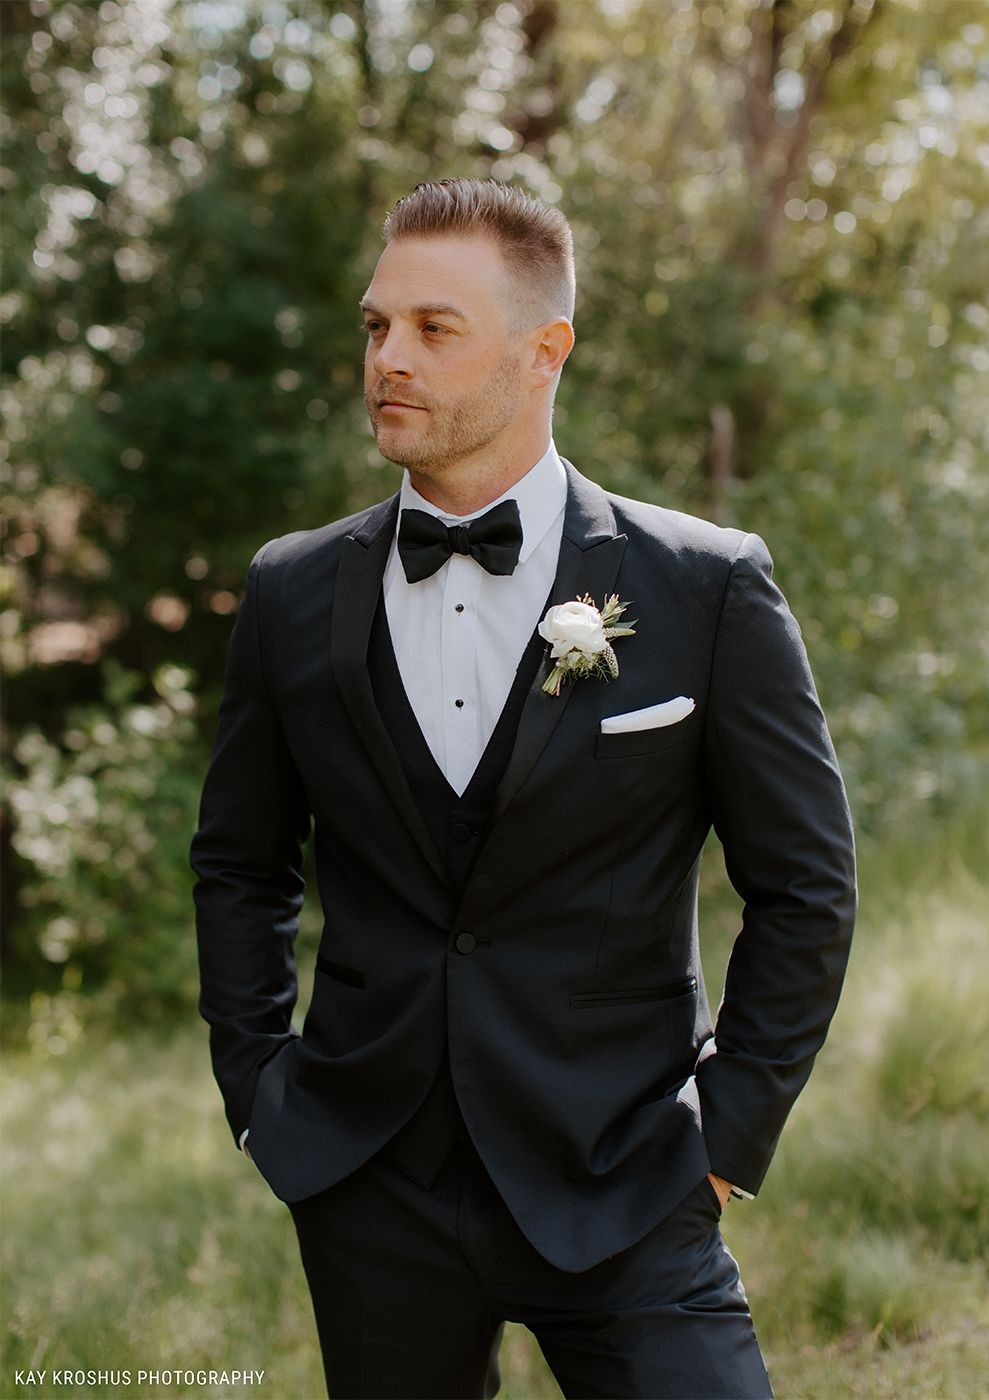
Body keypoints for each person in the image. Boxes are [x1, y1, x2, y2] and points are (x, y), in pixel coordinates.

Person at [192, 177, 856, 1400]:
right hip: (366, 1174)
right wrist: (257, 1089)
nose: (388, 357)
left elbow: (806, 884)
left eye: (434, 328)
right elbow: (241, 860)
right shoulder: (289, 589)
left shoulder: (704, 586)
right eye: (375, 325)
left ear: (544, 350)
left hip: (629, 1165)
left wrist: (723, 1132)